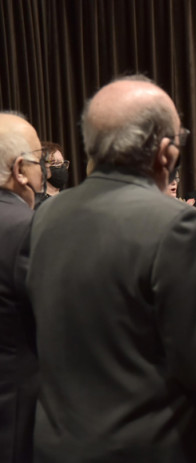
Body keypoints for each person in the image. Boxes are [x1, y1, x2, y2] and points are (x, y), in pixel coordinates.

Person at [25, 75, 196, 463]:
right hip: (149, 446)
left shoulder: (47, 214)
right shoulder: (176, 224)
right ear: (167, 152)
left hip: (61, 443)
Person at [0, 112, 45, 463]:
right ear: (19, 170)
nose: (42, 172)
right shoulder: (28, 229)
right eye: (39, 161)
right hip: (15, 413)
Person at [35, 141, 68, 207]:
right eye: (55, 163)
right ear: (42, 166)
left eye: (63, 163)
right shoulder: (36, 203)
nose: (61, 167)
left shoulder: (69, 199)